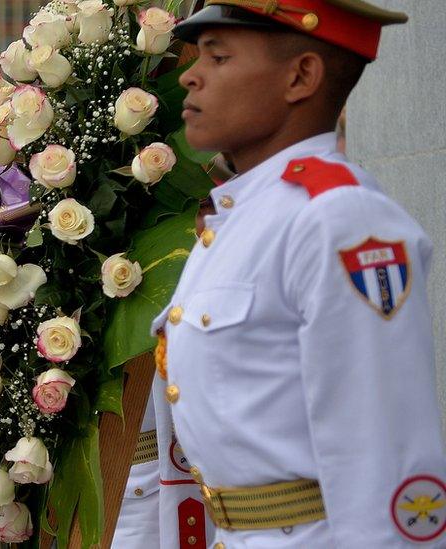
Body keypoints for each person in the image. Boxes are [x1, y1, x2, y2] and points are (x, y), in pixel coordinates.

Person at [152, 2, 446, 547]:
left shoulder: (338, 218)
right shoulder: (238, 217)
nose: (191, 74)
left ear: (300, 76)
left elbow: (382, 447)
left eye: (218, 57)